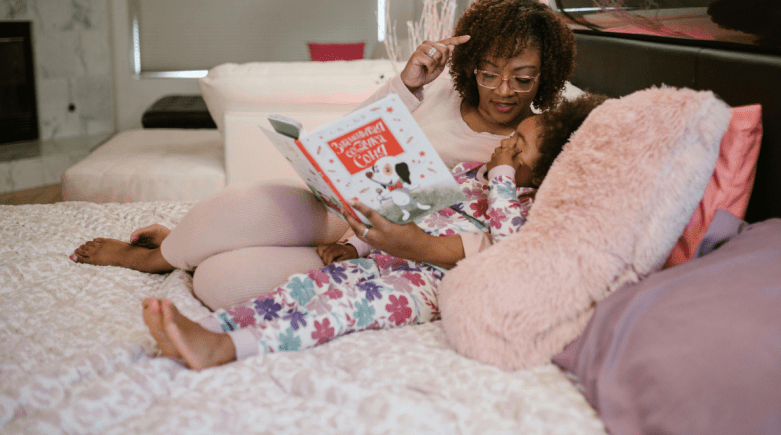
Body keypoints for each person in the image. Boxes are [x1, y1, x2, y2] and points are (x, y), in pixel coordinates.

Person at [71, 0, 578, 310]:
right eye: (489, 73)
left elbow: (524, 236)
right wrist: (408, 83)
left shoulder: (541, 139)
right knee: (232, 208)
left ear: (545, 75)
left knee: (220, 284)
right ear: (471, 66)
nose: (503, 90)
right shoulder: (443, 89)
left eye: (522, 77)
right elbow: (352, 134)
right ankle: (159, 256)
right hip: (339, 208)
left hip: (393, 250)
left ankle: (193, 248)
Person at [141, 93, 609, 370]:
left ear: (546, 174)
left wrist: (506, 181)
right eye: (513, 136)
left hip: (422, 286)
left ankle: (229, 347)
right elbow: (408, 213)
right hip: (379, 258)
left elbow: (508, 249)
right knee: (301, 290)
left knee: (339, 310)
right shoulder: (472, 174)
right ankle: (208, 331)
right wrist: (355, 246)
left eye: (519, 146)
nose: (505, 146)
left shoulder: (527, 210)